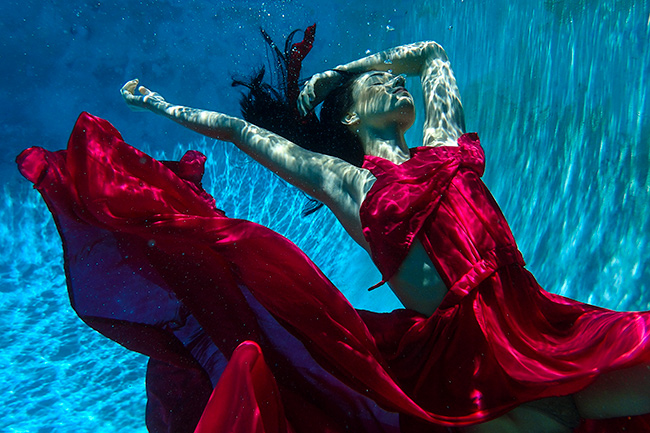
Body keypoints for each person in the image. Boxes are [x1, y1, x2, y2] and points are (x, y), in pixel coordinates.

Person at [18, 25, 650, 433]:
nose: (392, 81)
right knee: (560, 420)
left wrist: (336, 72)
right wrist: (160, 107)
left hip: (536, 313)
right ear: (350, 118)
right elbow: (243, 132)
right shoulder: (353, 185)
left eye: (386, 77)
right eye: (376, 83)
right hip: (467, 348)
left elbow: (430, 53)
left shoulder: (445, 144)